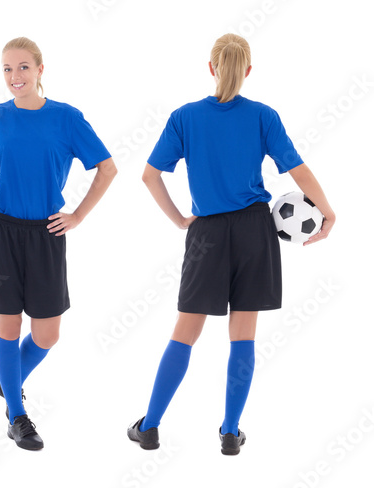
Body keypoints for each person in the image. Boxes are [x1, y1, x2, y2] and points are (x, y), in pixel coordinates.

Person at [127, 33, 335, 455]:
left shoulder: (184, 117)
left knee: (185, 333)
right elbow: (297, 169)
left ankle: (149, 427)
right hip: (255, 232)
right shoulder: (263, 116)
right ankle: (229, 432)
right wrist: (328, 211)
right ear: (248, 71)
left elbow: (150, 175)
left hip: (207, 233)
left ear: (211, 68)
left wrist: (181, 220)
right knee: (243, 337)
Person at [0, 37, 117, 451]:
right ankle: (17, 414)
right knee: (8, 327)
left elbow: (107, 167)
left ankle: (9, 377)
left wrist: (78, 215)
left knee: (47, 336)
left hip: (46, 234)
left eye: (24, 67)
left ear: (40, 69)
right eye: (8, 69)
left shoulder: (66, 118)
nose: (15, 77)